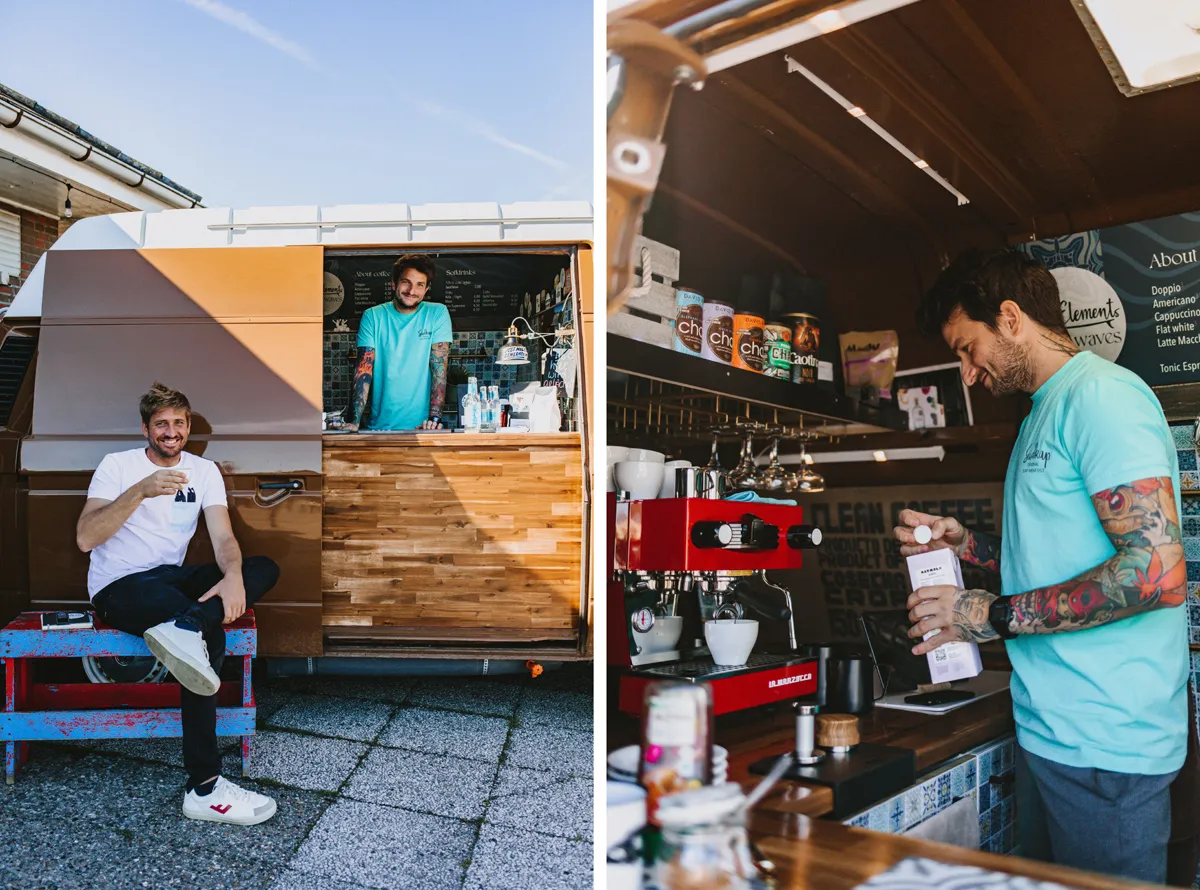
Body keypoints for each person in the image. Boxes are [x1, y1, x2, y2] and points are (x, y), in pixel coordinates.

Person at [894, 248, 1187, 883]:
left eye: (969, 349)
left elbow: (1154, 574)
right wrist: (965, 547)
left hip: (1107, 745)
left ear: (1009, 317)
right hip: (1052, 733)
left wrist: (986, 615)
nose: (969, 374)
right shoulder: (1042, 414)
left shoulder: (1103, 399)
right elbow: (1056, 561)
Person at [76, 382, 281, 825]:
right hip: (120, 586)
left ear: (188, 428)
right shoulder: (118, 466)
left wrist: (231, 578)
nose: (171, 431)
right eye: (162, 424)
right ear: (146, 429)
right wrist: (141, 491)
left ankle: (188, 624)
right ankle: (204, 787)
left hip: (172, 581)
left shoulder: (203, 471)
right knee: (210, 636)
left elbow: (224, 537)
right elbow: (85, 537)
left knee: (262, 567)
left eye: (179, 424)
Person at [343, 254, 452, 431]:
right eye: (406, 282)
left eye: (419, 285)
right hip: (380, 428)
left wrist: (434, 418)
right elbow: (363, 370)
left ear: (426, 289)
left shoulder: (437, 314)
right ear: (394, 283)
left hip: (422, 428)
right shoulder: (373, 316)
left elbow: (439, 368)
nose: (412, 290)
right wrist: (353, 421)